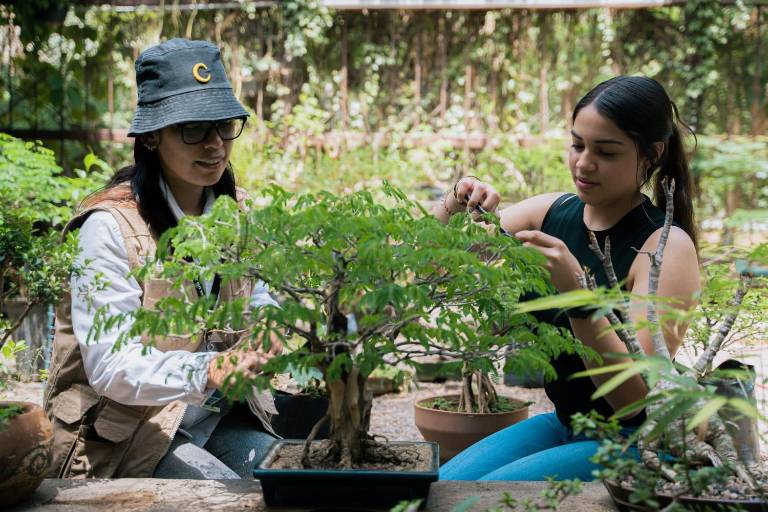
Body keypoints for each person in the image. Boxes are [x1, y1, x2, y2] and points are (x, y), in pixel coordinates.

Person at [435, 76, 701, 481]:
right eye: (577, 145)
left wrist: (578, 298)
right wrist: (456, 200)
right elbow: (432, 268)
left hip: (633, 441)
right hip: (563, 423)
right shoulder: (550, 213)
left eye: (606, 152)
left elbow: (634, 401)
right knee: (435, 489)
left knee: (474, 500)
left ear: (651, 154)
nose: (584, 163)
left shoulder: (666, 247)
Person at [44, 38, 281, 479]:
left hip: (209, 420)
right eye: (193, 128)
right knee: (226, 495)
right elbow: (111, 366)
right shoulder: (108, 228)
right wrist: (211, 369)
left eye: (223, 125)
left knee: (290, 478)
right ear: (152, 135)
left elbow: (265, 291)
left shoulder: (238, 213)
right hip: (129, 437)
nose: (214, 145)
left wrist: (267, 324)